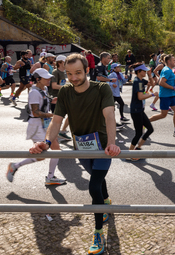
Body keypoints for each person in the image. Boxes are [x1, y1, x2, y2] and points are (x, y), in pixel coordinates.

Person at [29, 53, 121, 255]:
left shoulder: (101, 88)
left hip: (103, 147)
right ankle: (105, 202)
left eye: (78, 73)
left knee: (94, 185)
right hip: (80, 147)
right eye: (69, 74)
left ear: (87, 71)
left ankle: (98, 232)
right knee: (97, 179)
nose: (73, 78)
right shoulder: (65, 92)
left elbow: (109, 116)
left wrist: (113, 144)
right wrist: (45, 142)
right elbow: (56, 120)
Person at [6, 68, 66, 185]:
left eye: (49, 78)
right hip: (37, 125)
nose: (49, 79)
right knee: (44, 154)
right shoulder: (34, 92)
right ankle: (16, 166)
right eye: (46, 78)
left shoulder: (42, 89)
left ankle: (49, 177)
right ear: (38, 79)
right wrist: (53, 115)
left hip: (44, 124)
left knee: (54, 151)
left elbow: (44, 103)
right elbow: (35, 112)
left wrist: (53, 101)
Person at [149, 54, 175, 137]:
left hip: (171, 95)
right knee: (163, 115)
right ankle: (145, 122)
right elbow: (161, 82)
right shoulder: (167, 70)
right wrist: (173, 87)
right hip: (165, 95)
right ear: (169, 61)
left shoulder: (169, 69)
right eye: (173, 60)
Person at [129, 63, 157, 160]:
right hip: (136, 110)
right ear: (139, 72)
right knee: (138, 133)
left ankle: (137, 149)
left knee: (150, 129)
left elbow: (152, 84)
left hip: (139, 110)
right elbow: (140, 97)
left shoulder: (140, 80)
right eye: (144, 71)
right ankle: (130, 154)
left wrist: (150, 75)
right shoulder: (138, 82)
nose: (145, 72)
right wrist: (152, 95)